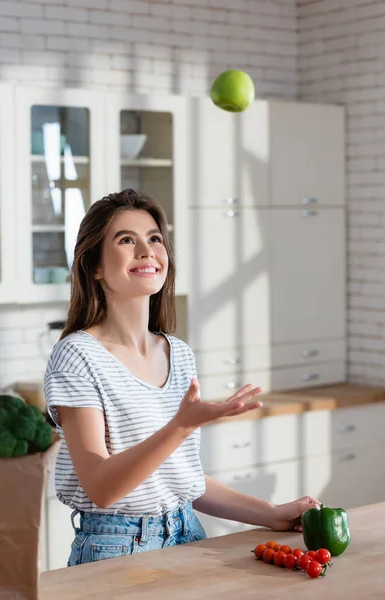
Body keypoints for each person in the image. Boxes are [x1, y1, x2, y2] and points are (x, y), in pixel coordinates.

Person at [44, 188, 320, 566]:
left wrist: (270, 513)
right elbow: (101, 486)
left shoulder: (178, 354)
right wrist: (180, 426)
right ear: (94, 265)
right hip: (116, 547)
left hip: (188, 533)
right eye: (127, 240)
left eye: (154, 239)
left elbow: (181, 480)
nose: (147, 251)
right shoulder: (77, 355)